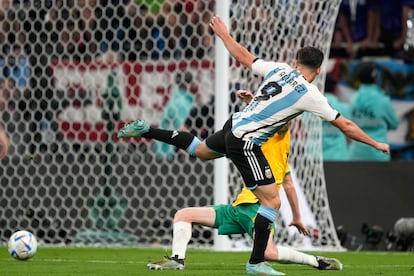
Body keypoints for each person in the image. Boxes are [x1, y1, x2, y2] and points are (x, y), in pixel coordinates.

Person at [118, 15, 389, 275]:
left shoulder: (281, 69)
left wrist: (224, 34)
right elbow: (346, 125)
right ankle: (256, 263)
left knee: (200, 151)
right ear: (318, 70)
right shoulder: (311, 94)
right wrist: (375, 143)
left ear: (296, 62)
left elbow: (244, 57)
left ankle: (148, 130)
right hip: (245, 140)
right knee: (272, 200)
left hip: (232, 125)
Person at [147, 90, 343, 272]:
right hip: (239, 208)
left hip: (256, 208)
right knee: (184, 214)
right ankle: (177, 259)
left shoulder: (279, 136)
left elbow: (280, 125)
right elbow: (289, 185)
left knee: (269, 253)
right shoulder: (271, 152)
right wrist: (297, 217)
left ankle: (316, 262)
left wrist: (297, 216)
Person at [348, 62, 399, 161]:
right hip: (378, 155)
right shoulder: (382, 100)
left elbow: (349, 123)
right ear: (375, 77)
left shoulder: (353, 99)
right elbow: (394, 124)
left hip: (355, 155)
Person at [322, 75, 351, 161]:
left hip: (315, 157)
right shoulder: (344, 108)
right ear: (335, 88)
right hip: (338, 156)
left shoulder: (309, 107)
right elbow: (349, 131)